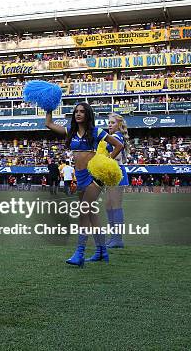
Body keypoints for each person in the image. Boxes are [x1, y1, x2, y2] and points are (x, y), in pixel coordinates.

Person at [45, 103, 123, 266]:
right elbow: (49, 124)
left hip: (94, 176)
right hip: (79, 177)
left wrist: (106, 163)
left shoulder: (96, 131)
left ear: (88, 114)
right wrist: (49, 107)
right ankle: (102, 251)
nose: (78, 114)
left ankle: (79, 253)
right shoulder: (70, 132)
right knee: (91, 214)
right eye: (76, 112)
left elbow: (118, 145)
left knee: (83, 212)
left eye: (82, 112)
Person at [105, 113, 129, 249]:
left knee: (115, 206)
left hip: (116, 172)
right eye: (109, 122)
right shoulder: (115, 137)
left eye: (113, 123)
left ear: (119, 125)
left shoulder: (115, 137)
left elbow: (117, 156)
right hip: (112, 172)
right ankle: (114, 237)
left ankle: (117, 239)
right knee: (109, 205)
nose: (109, 125)